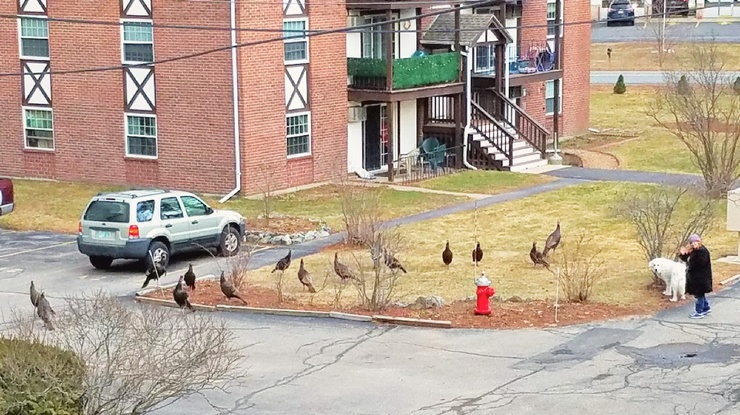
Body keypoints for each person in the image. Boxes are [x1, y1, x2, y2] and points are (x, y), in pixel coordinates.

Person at [678, 234, 713, 319]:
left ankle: (699, 312)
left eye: (695, 242)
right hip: (695, 277)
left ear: (699, 241)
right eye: (692, 242)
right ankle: (706, 308)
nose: (693, 244)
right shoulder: (694, 250)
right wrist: (683, 254)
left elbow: (699, 264)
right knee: (700, 294)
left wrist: (689, 266)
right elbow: (687, 259)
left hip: (701, 278)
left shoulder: (702, 251)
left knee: (699, 295)